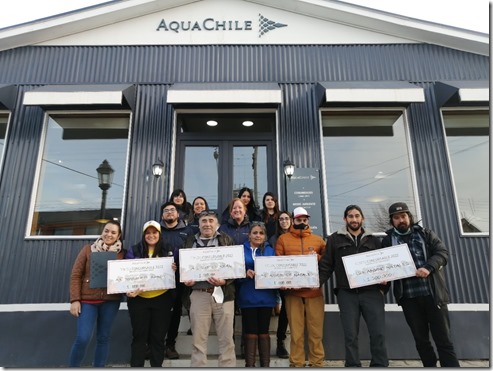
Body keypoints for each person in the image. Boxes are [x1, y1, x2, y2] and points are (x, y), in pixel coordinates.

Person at [381, 202, 460, 367]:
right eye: (396, 217)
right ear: (392, 221)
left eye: (403, 216)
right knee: (421, 341)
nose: (401, 220)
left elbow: (443, 253)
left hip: (433, 295)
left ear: (409, 217)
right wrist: (383, 283)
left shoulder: (425, 233)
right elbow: (384, 268)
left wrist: (428, 267)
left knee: (444, 340)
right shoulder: (388, 240)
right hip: (409, 299)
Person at [318, 204, 389, 367]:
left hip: (372, 293)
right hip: (347, 293)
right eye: (350, 216)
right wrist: (316, 283)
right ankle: (352, 365)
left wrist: (384, 285)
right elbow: (327, 265)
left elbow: (384, 265)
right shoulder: (335, 239)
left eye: (357, 216)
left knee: (378, 333)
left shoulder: (374, 240)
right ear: (345, 219)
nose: (354, 219)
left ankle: (380, 364)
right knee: (350, 335)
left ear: (362, 218)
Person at [182, 211, 237, 367]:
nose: (207, 224)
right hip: (199, 294)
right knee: (198, 341)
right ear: (198, 224)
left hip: (224, 295)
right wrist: (186, 280)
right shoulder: (189, 241)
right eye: (204, 221)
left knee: (227, 340)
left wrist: (225, 280)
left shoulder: (226, 240)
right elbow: (182, 267)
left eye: (211, 221)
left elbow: (236, 267)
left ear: (217, 224)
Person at [69, 220, 124, 367]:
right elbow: (75, 275)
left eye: (113, 232)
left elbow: (126, 277)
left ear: (118, 236)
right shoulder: (88, 250)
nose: (109, 234)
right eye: (106, 230)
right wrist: (75, 300)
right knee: (83, 338)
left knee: (103, 338)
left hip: (111, 301)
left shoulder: (122, 255)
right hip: (87, 301)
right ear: (102, 232)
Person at [275, 207, 326, 368]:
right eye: (298, 219)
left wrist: (317, 257)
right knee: (296, 333)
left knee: (316, 332)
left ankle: (317, 363)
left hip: (314, 292)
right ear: (293, 220)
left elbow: (327, 261)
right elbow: (277, 263)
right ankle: (296, 363)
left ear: (308, 221)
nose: (302, 222)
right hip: (293, 293)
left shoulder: (318, 240)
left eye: (304, 219)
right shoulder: (283, 239)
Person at [125, 220, 176, 367]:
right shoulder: (134, 250)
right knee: (139, 337)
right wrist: (129, 289)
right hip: (139, 299)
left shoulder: (169, 249)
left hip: (162, 299)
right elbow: (127, 272)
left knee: (158, 338)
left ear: (160, 234)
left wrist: (175, 268)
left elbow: (180, 270)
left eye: (154, 232)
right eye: (148, 233)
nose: (151, 235)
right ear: (143, 235)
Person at [236, 222, 278, 367]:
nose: (258, 235)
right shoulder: (241, 251)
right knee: (250, 331)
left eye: (261, 233)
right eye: (255, 233)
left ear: (265, 236)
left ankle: (265, 365)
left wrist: (277, 298)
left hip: (266, 297)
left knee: (264, 331)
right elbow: (234, 271)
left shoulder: (270, 251)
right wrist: (244, 273)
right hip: (247, 296)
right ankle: (250, 365)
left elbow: (275, 273)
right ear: (249, 235)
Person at [159, 201, 194, 360]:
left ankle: (170, 344)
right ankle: (155, 344)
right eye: (166, 211)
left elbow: (192, 255)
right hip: (158, 280)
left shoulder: (187, 232)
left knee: (175, 313)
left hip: (179, 279)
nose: (169, 213)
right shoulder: (156, 231)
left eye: (172, 210)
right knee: (159, 312)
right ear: (162, 215)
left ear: (178, 214)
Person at [268, 211, 292, 359]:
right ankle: (280, 342)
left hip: (296, 278)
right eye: (281, 219)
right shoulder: (273, 239)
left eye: (286, 219)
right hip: (279, 278)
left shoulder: (298, 236)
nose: (284, 221)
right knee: (284, 310)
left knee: (288, 309)